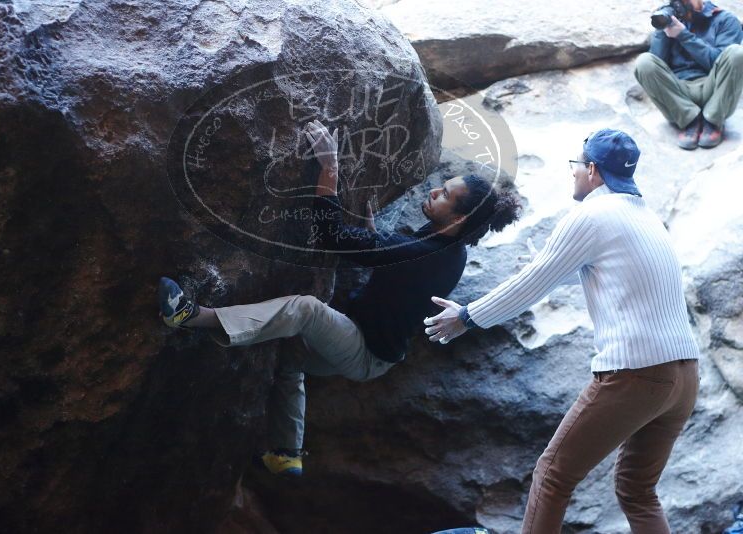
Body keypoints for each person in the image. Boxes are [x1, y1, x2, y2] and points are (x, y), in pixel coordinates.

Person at [158, 120, 521, 476]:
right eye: (441, 186)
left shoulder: (423, 251)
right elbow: (402, 274)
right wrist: (376, 242)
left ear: (458, 220)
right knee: (290, 360)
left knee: (306, 310)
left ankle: (193, 317)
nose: (433, 191)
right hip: (371, 347)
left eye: (444, 195)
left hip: (364, 351)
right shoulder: (451, 250)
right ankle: (286, 452)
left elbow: (330, 235)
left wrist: (329, 167)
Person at [424, 129, 700, 533]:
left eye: (576, 166)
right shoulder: (644, 216)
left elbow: (534, 282)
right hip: (683, 378)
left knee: (552, 475)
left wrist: (467, 316)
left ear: (592, 170)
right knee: (638, 490)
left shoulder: (592, 214)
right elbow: (585, 272)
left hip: (636, 375)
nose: (573, 175)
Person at [634, 0, 743, 149]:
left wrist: (683, 36)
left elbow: (722, 61)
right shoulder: (671, 19)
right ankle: (689, 120)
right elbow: (656, 65)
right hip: (679, 93)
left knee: (737, 52)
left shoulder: (725, 20)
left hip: (714, 89)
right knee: (644, 62)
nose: (680, 4)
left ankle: (713, 120)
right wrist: (662, 30)